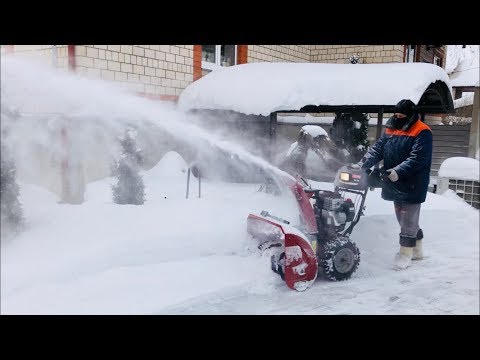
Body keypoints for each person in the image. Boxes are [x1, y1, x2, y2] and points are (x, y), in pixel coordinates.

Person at [359, 99, 433, 270]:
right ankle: (417, 251)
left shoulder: (422, 131)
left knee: (408, 219)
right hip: (393, 180)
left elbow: (418, 158)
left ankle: (405, 254)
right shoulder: (392, 128)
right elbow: (378, 149)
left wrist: (398, 171)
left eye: (402, 116)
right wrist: (362, 163)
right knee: (404, 218)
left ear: (410, 115)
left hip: (412, 182)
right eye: (396, 115)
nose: (398, 118)